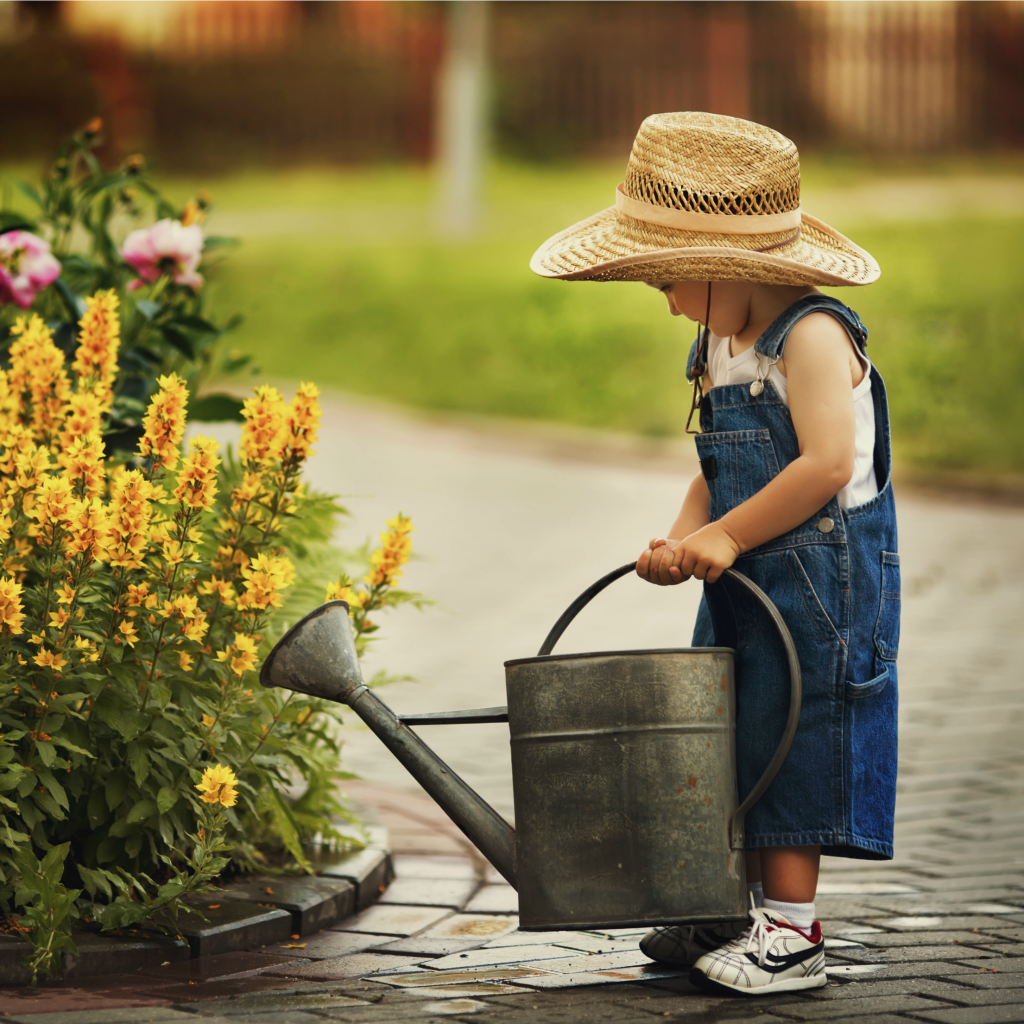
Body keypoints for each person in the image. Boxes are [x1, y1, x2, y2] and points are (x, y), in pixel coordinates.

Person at [530, 112, 899, 996]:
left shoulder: (810, 337)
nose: (661, 300)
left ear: (732, 265)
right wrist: (689, 536)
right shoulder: (718, 342)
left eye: (667, 278)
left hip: (822, 582)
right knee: (722, 724)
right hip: (747, 572)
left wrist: (728, 535)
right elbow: (716, 469)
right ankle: (721, 904)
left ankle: (793, 935)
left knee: (793, 732)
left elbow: (826, 465)